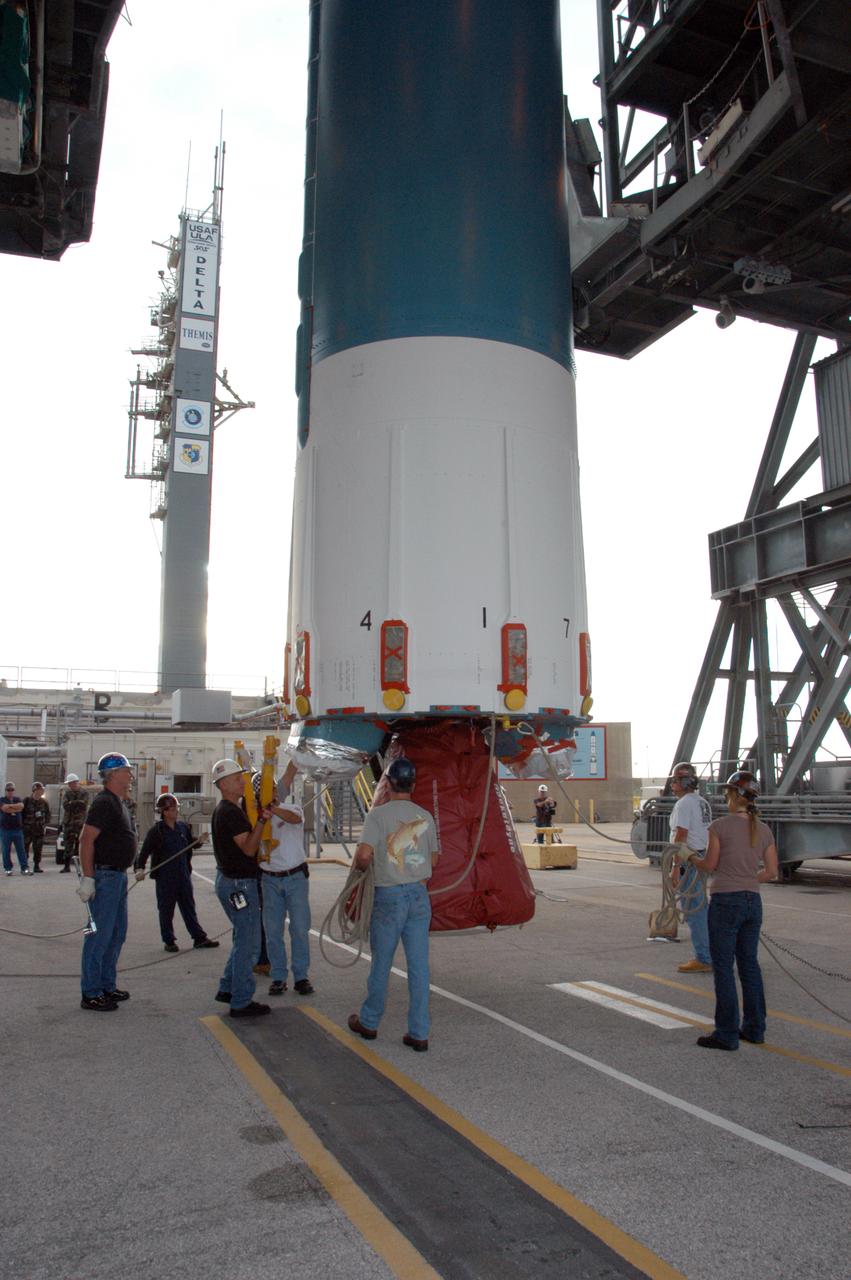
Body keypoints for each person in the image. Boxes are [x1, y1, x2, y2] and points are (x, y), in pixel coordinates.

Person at [347, 756, 439, 1051]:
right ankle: (419, 1033)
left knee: (382, 964)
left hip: (388, 896)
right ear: (413, 783)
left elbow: (362, 856)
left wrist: (368, 870)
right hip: (418, 897)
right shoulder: (425, 816)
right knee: (419, 968)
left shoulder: (378, 815)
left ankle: (370, 1022)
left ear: (386, 783)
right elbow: (434, 858)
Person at [688, 770, 778, 1050]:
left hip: (726, 901)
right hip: (753, 902)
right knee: (749, 965)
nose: (725, 798)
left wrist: (689, 856)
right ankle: (754, 1028)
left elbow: (710, 865)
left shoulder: (720, 826)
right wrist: (749, 880)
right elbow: (772, 872)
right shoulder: (763, 829)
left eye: (728, 794)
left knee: (724, 969)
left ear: (736, 796)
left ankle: (726, 1033)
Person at [210, 758, 273, 1018]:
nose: (242, 781)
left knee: (241, 937)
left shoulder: (224, 810)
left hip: (229, 881)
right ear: (224, 784)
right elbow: (248, 848)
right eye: (238, 778)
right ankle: (241, 1000)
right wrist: (261, 821)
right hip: (239, 885)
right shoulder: (231, 813)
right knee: (249, 943)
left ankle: (228, 987)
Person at [76, 753, 138, 1012]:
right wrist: (88, 878)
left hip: (117, 876)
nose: (131, 774)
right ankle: (91, 993)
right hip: (105, 877)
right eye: (126, 770)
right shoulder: (104, 803)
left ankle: (106, 985)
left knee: (116, 934)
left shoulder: (118, 802)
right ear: (113, 775)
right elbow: (86, 839)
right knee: (99, 936)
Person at [254, 761, 314, 997]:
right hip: (269, 879)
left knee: (299, 928)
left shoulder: (292, 808)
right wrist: (261, 814)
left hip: (295, 877)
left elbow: (295, 819)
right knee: (273, 931)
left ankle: (301, 976)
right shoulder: (253, 817)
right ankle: (279, 976)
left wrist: (274, 809)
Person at [134, 793, 219, 953]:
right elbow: (144, 852)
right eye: (172, 809)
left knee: (189, 907)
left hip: (183, 874)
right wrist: (140, 868)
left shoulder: (183, 827)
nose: (175, 811)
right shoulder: (156, 831)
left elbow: (191, 844)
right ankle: (169, 940)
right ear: (164, 811)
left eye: (175, 808)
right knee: (166, 909)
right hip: (165, 877)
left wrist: (199, 840)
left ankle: (199, 938)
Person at [668, 762, 712, 973]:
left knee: (695, 909)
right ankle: (711, 953)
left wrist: (676, 866)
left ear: (685, 782)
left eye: (676, 780)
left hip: (689, 860)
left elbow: (681, 835)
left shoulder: (684, 804)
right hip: (700, 857)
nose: (673, 784)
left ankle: (705, 958)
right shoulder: (702, 801)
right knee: (701, 906)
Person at [60, 773, 89, 872]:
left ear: (76, 782)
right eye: (69, 784)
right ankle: (66, 866)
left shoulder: (84, 792)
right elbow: (65, 806)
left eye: (71, 783)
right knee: (68, 845)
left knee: (80, 845)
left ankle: (80, 866)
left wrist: (72, 803)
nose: (70, 785)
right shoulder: (67, 793)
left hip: (80, 823)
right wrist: (76, 803)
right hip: (69, 823)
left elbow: (83, 805)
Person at [1, 780, 29, 874]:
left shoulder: (18, 799)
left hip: (17, 829)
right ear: (6, 790)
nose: (10, 791)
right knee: (6, 850)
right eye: (8, 789)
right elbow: (5, 809)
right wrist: (14, 808)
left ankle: (24, 868)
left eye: (12, 789)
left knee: (21, 850)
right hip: (5, 830)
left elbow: (21, 806)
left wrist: (10, 807)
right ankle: (8, 868)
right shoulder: (1, 800)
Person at [22, 781, 50, 873]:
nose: (42, 791)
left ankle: (36, 866)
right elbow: (21, 814)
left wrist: (44, 824)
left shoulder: (44, 802)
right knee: (25, 848)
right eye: (40, 789)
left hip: (39, 830)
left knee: (38, 849)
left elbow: (48, 815)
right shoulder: (26, 801)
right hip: (27, 829)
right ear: (35, 790)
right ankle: (25, 866)